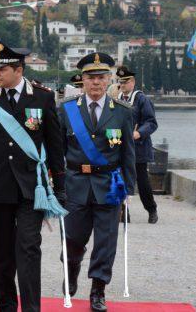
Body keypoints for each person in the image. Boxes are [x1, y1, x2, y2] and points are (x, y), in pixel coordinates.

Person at [0, 39, 67, 312]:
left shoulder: (43, 97)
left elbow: (56, 147)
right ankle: (7, 306)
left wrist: (60, 188)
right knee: (0, 256)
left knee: (29, 250)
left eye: (3, 69)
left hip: (30, 189)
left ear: (19, 70)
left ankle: (32, 308)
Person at [59, 53, 136, 312]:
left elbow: (128, 154)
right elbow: (58, 150)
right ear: (82, 80)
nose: (95, 83)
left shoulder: (123, 113)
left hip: (110, 184)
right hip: (75, 182)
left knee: (106, 241)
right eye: (90, 78)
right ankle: (71, 271)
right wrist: (55, 185)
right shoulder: (67, 109)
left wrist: (129, 190)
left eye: (101, 78)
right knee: (72, 238)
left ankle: (98, 290)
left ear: (108, 80)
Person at [117, 66, 159, 224]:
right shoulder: (118, 99)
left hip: (139, 147)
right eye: (120, 82)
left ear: (133, 82)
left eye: (126, 82)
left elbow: (151, 122)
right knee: (120, 181)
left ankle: (151, 209)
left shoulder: (141, 99)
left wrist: (139, 133)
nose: (123, 85)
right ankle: (123, 212)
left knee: (142, 182)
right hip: (120, 147)